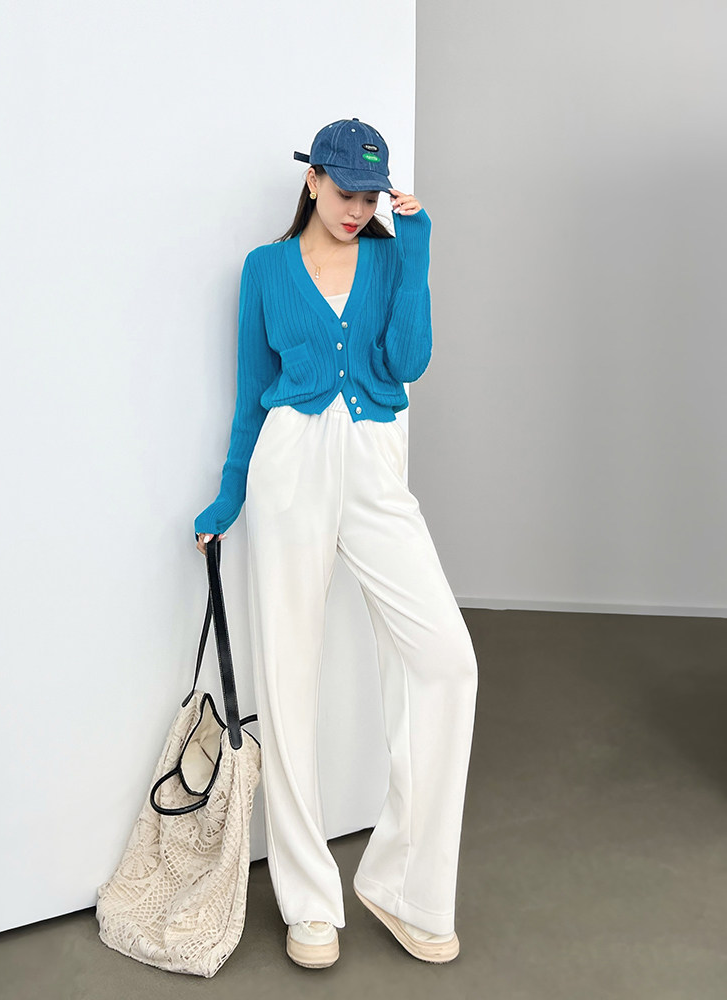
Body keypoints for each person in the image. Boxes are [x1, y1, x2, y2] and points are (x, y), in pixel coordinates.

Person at [194, 118, 478, 969]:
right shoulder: (264, 269)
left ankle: (405, 887)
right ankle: (309, 901)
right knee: (289, 679)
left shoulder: (392, 257)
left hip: (375, 466)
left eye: (370, 196)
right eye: (345, 191)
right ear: (312, 179)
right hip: (289, 468)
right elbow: (251, 391)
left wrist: (417, 249)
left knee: (446, 661)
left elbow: (409, 362)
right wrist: (229, 494)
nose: (357, 209)